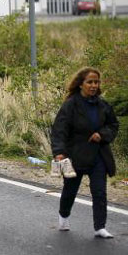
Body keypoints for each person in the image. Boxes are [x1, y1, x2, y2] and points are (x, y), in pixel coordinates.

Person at [51, 67, 119, 239]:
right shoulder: (71, 104)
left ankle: (100, 227)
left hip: (99, 155)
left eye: (96, 82)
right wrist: (59, 151)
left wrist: (102, 135)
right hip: (75, 155)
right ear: (81, 84)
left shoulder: (103, 105)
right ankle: (64, 216)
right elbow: (59, 129)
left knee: (100, 192)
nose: (94, 85)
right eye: (90, 82)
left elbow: (113, 125)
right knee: (70, 190)